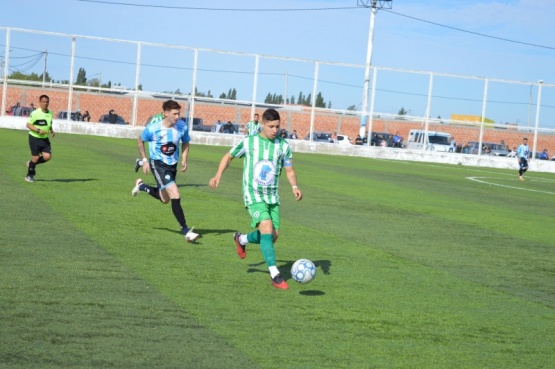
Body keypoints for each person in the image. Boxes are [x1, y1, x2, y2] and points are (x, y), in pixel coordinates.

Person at [208, 108, 303, 290]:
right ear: (262, 124)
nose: (275, 130)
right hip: (253, 194)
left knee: (272, 236)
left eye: (277, 126)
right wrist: (218, 175)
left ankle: (241, 239)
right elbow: (229, 156)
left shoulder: (283, 146)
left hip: (272, 196)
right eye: (271, 126)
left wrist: (294, 186)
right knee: (266, 226)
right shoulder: (249, 142)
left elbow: (289, 170)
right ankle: (275, 274)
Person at [131, 99, 200, 243]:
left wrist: (184, 159)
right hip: (158, 164)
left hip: (172, 166)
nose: (177, 117)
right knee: (175, 193)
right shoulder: (153, 128)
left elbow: (186, 141)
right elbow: (140, 140)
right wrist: (144, 160)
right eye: (175, 114)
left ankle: (141, 186)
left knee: (164, 199)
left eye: (179, 113)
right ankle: (186, 230)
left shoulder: (182, 126)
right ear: (165, 113)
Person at [24, 95, 55, 183]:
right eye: (43, 102)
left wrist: (51, 130)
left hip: (45, 139)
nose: (45, 103)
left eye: (47, 102)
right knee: (36, 157)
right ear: (40, 102)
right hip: (35, 138)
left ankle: (31, 164)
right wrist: (38, 130)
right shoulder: (35, 113)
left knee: (47, 157)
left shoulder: (50, 113)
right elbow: (28, 125)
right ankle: (29, 176)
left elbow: (49, 123)